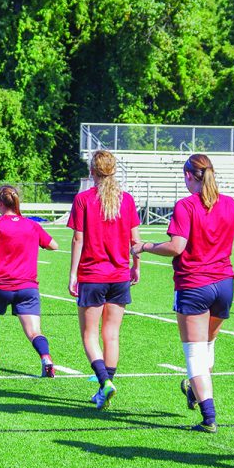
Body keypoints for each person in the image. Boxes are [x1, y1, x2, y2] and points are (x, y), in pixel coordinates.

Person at [133, 153, 234, 433]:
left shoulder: (186, 206)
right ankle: (196, 391)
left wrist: (146, 247)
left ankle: (208, 416)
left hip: (194, 284)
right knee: (209, 343)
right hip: (224, 284)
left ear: (189, 176)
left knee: (195, 352)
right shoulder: (230, 204)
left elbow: (176, 246)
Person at [68, 150, 141, 409]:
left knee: (89, 336)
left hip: (93, 274)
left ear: (92, 171)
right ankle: (104, 388)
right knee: (111, 334)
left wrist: (73, 274)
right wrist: (136, 265)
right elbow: (135, 240)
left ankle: (104, 383)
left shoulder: (83, 200)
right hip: (119, 275)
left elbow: (78, 239)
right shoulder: (127, 200)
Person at [0, 186, 60, 375]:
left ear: (0, 203)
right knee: (34, 331)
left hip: (0, 286)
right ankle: (46, 357)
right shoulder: (32, 225)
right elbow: (54, 245)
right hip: (28, 288)